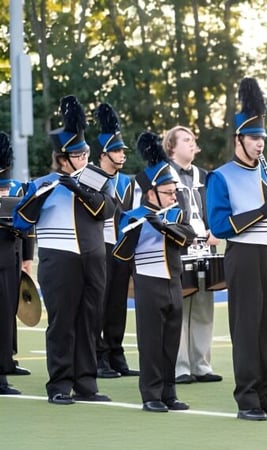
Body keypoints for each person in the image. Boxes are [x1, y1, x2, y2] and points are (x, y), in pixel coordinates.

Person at [13, 96, 115, 405]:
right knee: (62, 322)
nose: (85, 158)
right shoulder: (41, 183)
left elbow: (107, 210)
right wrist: (42, 194)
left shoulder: (97, 179)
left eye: (85, 153)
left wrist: (80, 189)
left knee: (90, 320)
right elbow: (21, 221)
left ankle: (86, 383)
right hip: (59, 260)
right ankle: (59, 384)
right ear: (63, 158)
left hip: (94, 258)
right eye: (78, 154)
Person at [206, 77, 267, 421]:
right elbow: (220, 226)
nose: (260, 144)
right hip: (243, 255)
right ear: (239, 139)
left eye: (262, 138)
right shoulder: (220, 176)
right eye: (254, 138)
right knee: (247, 327)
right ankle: (247, 398)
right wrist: (262, 212)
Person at [113, 132, 194, 412]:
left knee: (171, 340)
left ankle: (169, 393)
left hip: (174, 281)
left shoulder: (174, 213)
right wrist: (139, 227)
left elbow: (189, 236)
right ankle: (151, 394)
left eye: (174, 191)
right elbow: (121, 254)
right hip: (148, 283)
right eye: (168, 192)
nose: (174, 196)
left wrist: (164, 226)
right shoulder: (132, 216)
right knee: (151, 341)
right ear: (151, 192)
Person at [164, 125, 223, 384]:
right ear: (171, 146)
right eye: (185, 140)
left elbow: (213, 208)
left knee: (202, 309)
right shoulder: (163, 175)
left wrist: (216, 230)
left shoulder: (204, 175)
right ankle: (180, 367)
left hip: (205, 248)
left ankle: (201, 365)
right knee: (179, 309)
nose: (192, 144)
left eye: (192, 140)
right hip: (179, 249)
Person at [93, 103, 138, 379]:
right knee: (98, 302)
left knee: (118, 302)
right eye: (117, 151)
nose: (122, 155)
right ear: (103, 154)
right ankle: (97, 356)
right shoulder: (91, 177)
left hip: (120, 248)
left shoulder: (127, 182)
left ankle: (115, 352)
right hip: (97, 248)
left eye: (123, 151)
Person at [0, 132, 33, 395]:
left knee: (8, 311)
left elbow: (27, 226)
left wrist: (27, 258)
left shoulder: (18, 188)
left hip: (11, 256)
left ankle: (7, 362)